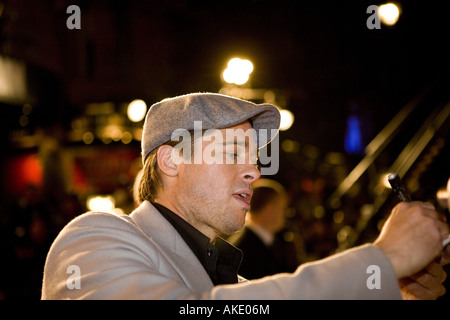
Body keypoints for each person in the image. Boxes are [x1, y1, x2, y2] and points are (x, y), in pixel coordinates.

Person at [42, 92, 449, 299]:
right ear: (170, 160)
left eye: (254, 157)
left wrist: (392, 290)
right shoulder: (94, 237)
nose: (256, 171)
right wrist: (382, 260)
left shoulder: (232, 283)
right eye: (233, 152)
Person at [229, 178, 299, 279]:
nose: (285, 214)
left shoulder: (271, 243)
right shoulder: (243, 251)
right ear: (270, 209)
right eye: (283, 208)